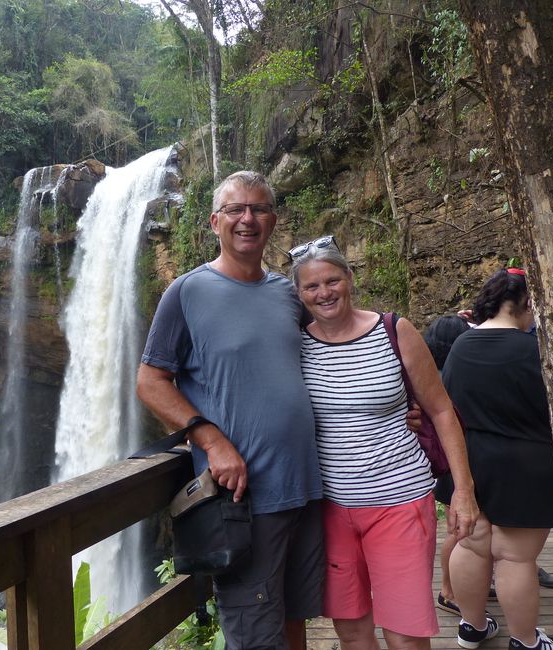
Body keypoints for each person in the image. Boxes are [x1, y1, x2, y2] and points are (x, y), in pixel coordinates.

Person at [136, 171, 325, 650]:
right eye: (236, 209)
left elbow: (325, 357)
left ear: (273, 221)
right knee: (256, 636)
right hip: (242, 501)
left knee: (294, 623)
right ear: (214, 221)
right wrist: (212, 441)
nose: (248, 218)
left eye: (259, 209)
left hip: (304, 490)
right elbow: (150, 381)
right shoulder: (187, 292)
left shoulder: (288, 293)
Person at [289, 236, 479, 650]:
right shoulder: (297, 346)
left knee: (404, 633)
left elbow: (442, 411)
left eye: (332, 280)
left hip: (400, 500)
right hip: (332, 508)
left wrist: (463, 492)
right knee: (352, 629)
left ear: (350, 278)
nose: (324, 292)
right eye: (311, 286)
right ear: (299, 293)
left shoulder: (394, 330)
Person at [443, 268, 553, 650]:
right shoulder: (537, 351)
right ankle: (526, 641)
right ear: (528, 302)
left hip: (471, 462)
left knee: (471, 545)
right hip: (527, 465)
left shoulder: (461, 346)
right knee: (515, 558)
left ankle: (472, 627)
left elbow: (448, 406)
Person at [421, 315, 478, 617]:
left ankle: (458, 584)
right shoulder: (454, 376)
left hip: (445, 467)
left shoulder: (431, 373)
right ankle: (448, 589)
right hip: (457, 463)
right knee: (458, 533)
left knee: (459, 531)